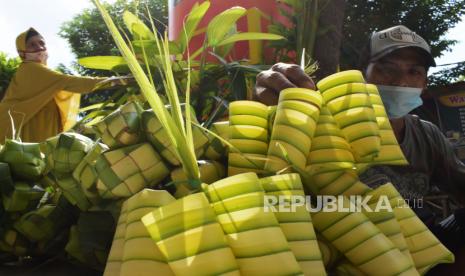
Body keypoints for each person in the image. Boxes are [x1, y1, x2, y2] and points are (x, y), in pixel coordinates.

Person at [255, 25, 465, 273]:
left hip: (422, 242)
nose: (401, 81)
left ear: (425, 82)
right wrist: (275, 109)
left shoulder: (427, 134)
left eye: (414, 71)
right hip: (348, 250)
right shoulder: (323, 120)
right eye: (387, 69)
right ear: (361, 74)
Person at [0, 27, 122, 143]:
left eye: (42, 43)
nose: (40, 47)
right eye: (32, 45)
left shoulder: (40, 73)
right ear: (22, 52)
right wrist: (118, 80)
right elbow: (74, 82)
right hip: (24, 134)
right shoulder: (32, 69)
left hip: (39, 134)